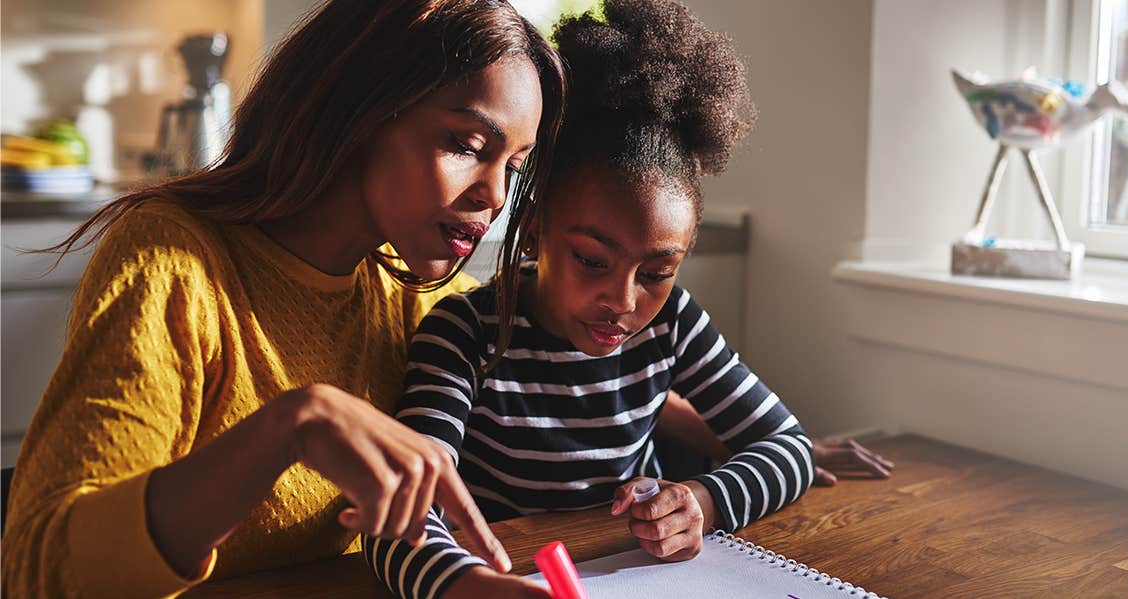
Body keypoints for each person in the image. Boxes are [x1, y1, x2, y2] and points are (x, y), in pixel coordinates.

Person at [1, 1, 565, 597]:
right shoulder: (176, 259)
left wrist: (674, 498)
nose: (494, 195)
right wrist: (289, 427)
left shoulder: (419, 294)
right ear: (359, 111)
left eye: (515, 166)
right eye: (468, 144)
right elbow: (38, 572)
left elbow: (579, 372)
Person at [363, 2, 888, 598]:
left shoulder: (674, 326)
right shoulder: (463, 332)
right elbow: (401, 517)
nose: (623, 300)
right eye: (592, 260)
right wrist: (467, 585)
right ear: (534, 228)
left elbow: (789, 448)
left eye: (658, 271)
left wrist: (703, 501)